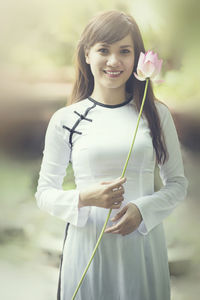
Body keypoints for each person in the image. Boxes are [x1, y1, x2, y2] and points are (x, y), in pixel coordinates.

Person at [35, 10, 188, 300]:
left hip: (142, 248)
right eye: (104, 50)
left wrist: (144, 209)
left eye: (125, 51)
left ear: (138, 58)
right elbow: (44, 193)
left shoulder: (156, 114)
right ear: (87, 55)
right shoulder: (66, 119)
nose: (114, 61)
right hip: (88, 248)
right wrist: (84, 197)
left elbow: (178, 185)